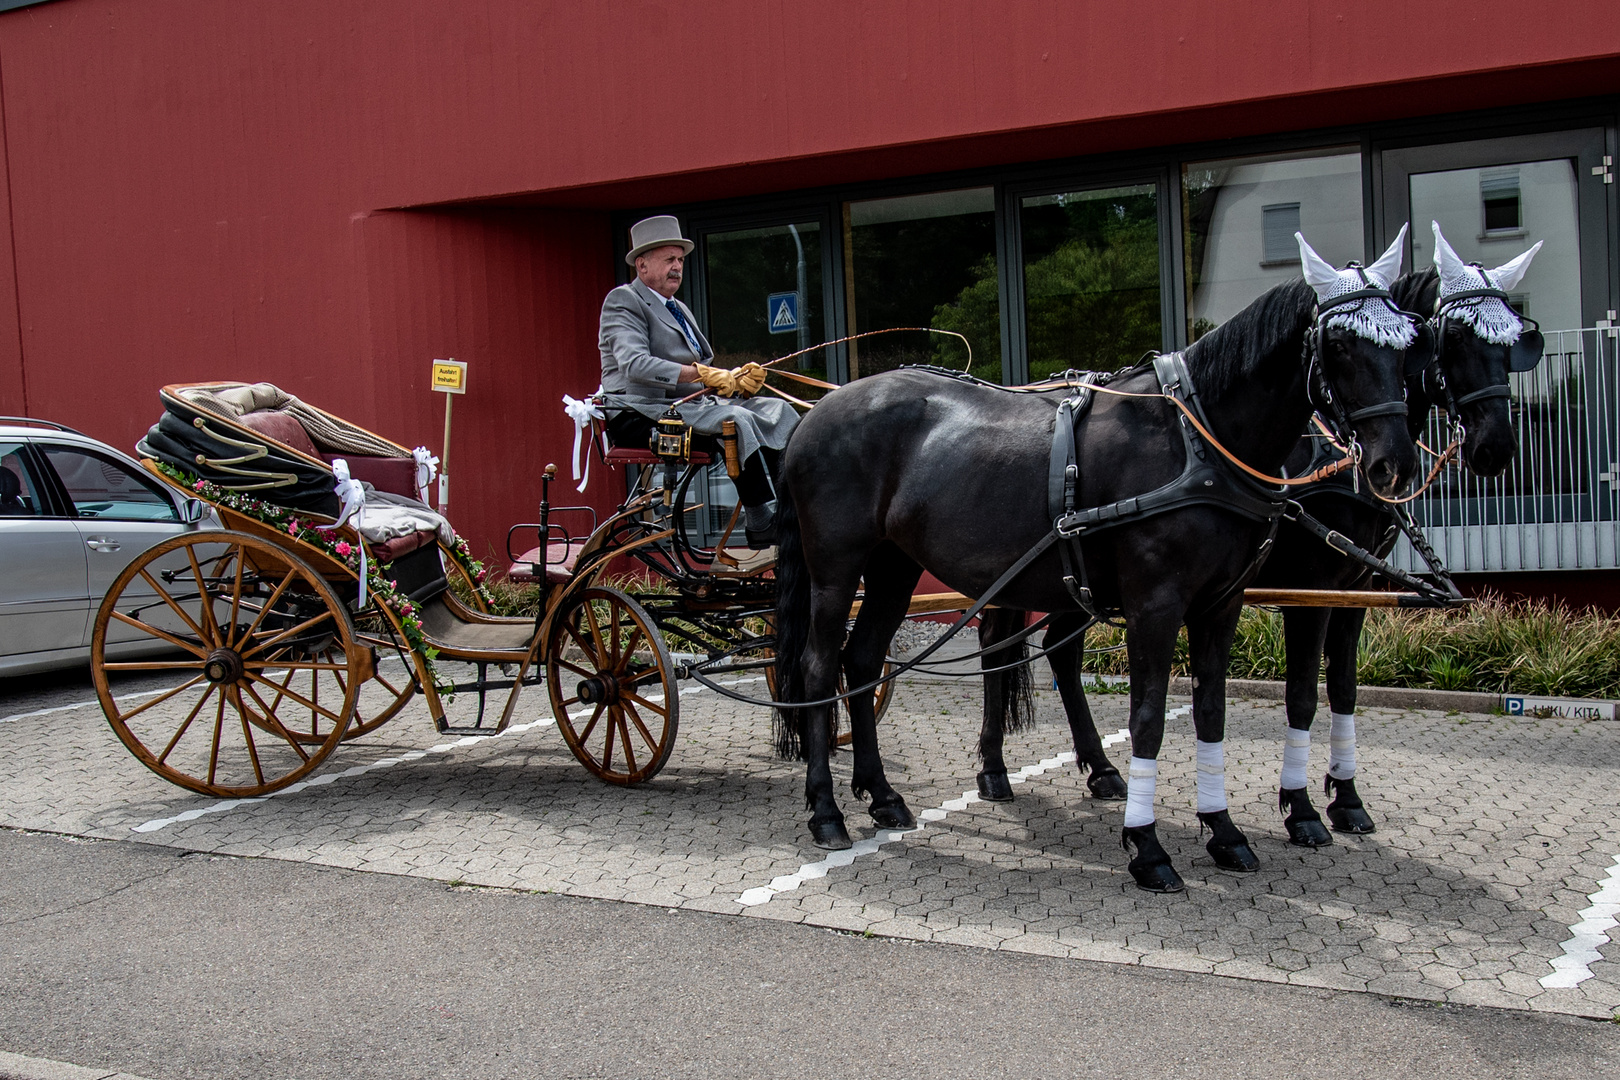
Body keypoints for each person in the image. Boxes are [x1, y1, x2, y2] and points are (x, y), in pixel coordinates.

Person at [598, 215, 799, 547]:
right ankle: (760, 519)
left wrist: (735, 380)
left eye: (680, 259)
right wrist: (705, 375)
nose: (677, 267)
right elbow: (634, 365)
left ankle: (794, 504)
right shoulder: (624, 301)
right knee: (735, 418)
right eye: (669, 260)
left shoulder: (679, 308)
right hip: (639, 410)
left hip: (690, 402)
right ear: (642, 265)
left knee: (778, 409)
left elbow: (703, 368)